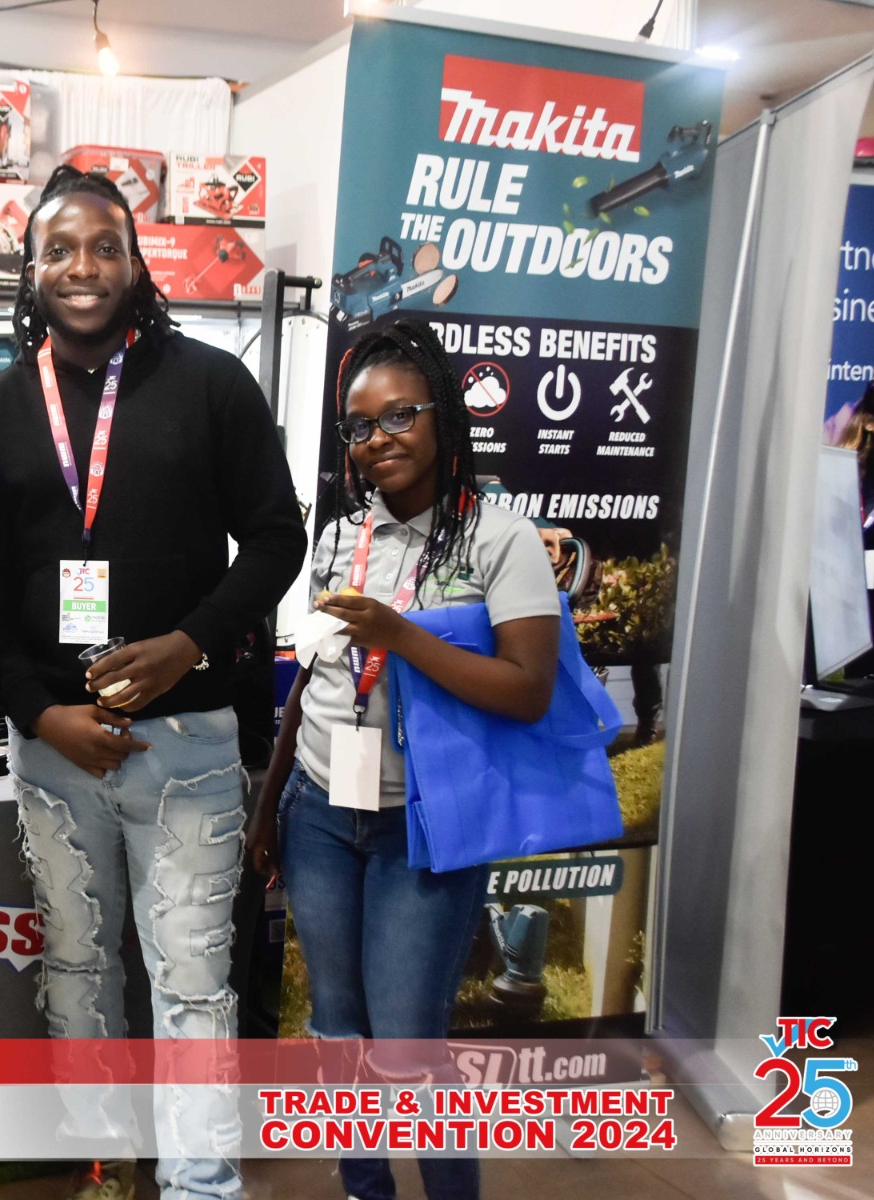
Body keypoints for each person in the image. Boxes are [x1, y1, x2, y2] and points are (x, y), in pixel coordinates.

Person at [0, 165, 307, 1200]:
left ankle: (202, 1185)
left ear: (137, 263)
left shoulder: (212, 385)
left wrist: (188, 644)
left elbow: (277, 539)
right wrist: (38, 712)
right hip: (53, 752)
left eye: (105, 247)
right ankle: (106, 1166)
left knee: (194, 978)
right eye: (59, 249)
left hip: (188, 743)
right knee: (77, 967)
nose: (84, 268)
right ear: (30, 270)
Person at [247, 316, 563, 1200]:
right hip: (320, 811)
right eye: (359, 425)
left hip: (424, 823)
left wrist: (401, 635)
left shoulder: (499, 538)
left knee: (408, 1040)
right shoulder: (338, 539)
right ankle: (366, 1188)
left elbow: (527, 689)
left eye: (399, 416)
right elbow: (314, 680)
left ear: (442, 417)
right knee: (337, 1027)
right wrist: (272, 804)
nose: (377, 439)